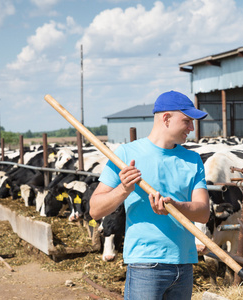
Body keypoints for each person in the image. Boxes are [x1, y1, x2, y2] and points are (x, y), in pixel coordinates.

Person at [89, 90, 210, 300]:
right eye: (187, 121)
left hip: (185, 263)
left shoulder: (193, 159)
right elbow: (95, 209)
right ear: (166, 118)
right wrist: (124, 189)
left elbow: (204, 213)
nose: (192, 128)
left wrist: (177, 206)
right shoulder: (125, 155)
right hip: (146, 264)